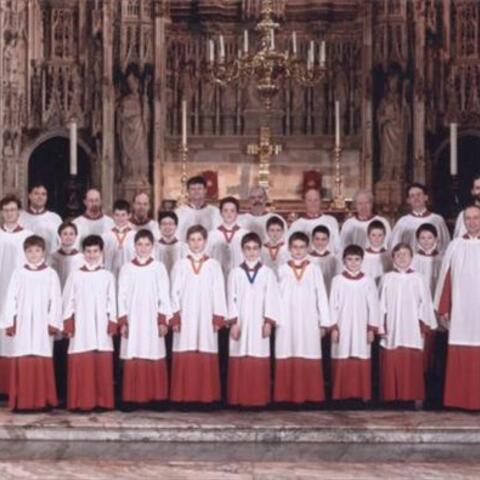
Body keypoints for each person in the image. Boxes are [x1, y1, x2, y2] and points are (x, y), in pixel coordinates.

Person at [1, 235, 62, 411]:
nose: (33, 254)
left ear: (43, 251)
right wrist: (10, 322)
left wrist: (53, 322)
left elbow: (56, 300)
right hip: (22, 323)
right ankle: (22, 401)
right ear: (25, 253)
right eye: (29, 251)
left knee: (41, 356)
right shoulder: (18, 273)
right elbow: (10, 299)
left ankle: (43, 401)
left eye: (37, 250)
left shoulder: (50, 274)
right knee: (23, 357)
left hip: (43, 324)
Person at [170, 225, 227, 403]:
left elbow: (219, 291)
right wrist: (175, 316)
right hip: (185, 317)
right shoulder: (180, 265)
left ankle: (207, 397)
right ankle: (183, 397)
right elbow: (174, 292)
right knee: (185, 349)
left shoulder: (213, 265)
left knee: (206, 348)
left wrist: (218, 317)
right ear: (187, 242)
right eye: (192, 240)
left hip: (206, 317)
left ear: (205, 241)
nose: (196, 244)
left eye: (199, 239)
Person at [274, 232, 332, 403]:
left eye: (301, 247)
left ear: (307, 248)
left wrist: (324, 322)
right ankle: (285, 395)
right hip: (286, 320)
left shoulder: (314, 269)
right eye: (295, 247)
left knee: (309, 351)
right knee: (287, 351)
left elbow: (321, 295)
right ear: (289, 248)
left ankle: (310, 395)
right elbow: (275, 296)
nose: (298, 251)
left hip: (309, 320)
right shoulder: (282, 269)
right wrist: (275, 319)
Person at [62, 235, 117, 411]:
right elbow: (67, 301)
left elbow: (112, 301)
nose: (92, 255)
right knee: (82, 360)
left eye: (95, 251)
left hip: (101, 326)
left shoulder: (107, 276)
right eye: (88, 251)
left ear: (101, 252)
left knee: (101, 362)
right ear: (83, 252)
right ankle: (80, 402)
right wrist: (68, 324)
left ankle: (103, 401)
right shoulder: (75, 275)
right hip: (82, 326)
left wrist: (112, 322)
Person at [118, 229, 172, 406]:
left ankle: (156, 398)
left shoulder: (159, 267)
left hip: (152, 318)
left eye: (147, 244)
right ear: (134, 246)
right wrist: (123, 321)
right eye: (140, 244)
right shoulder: (126, 268)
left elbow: (164, 294)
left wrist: (163, 320)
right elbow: (122, 296)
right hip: (133, 319)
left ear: (152, 246)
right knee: (133, 353)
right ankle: (131, 398)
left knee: (154, 352)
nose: (143, 248)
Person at [227, 232, 280, 407]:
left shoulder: (267, 273)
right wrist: (233, 322)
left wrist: (268, 321)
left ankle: (258, 399)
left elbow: (272, 298)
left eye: (255, 248)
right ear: (242, 250)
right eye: (248, 249)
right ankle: (238, 399)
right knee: (240, 354)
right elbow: (230, 298)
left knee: (259, 356)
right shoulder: (235, 272)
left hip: (259, 323)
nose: (251, 252)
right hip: (241, 323)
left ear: (260, 250)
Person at [435, 205, 480, 410]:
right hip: (461, 310)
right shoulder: (455, 246)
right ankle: (459, 400)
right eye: (468, 218)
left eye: (476, 218)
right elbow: (446, 279)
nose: (472, 222)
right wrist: (444, 307)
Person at [379, 243, 436, 403]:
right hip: (393, 326)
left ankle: (414, 396)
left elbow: (425, 303)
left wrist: (424, 325)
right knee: (392, 355)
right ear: (393, 258)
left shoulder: (419, 278)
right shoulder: (387, 278)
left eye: (405, 254)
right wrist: (381, 326)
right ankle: (391, 396)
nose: (402, 257)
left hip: (412, 328)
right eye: (398, 254)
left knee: (412, 361)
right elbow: (381, 304)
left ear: (411, 258)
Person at [330, 245, 381, 402]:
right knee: (342, 353)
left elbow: (374, 305)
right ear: (344, 260)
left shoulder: (368, 281)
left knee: (361, 354)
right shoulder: (337, 280)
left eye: (357, 259)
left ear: (362, 261)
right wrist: (333, 327)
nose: (353, 263)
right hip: (342, 325)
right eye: (349, 259)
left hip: (361, 326)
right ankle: (339, 393)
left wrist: (371, 328)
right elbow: (332, 305)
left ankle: (363, 393)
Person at [0, 195, 32, 395]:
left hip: (19, 295)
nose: (9, 213)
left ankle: (15, 387)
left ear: (19, 212)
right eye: (6, 210)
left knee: (16, 338)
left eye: (13, 210)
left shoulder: (27, 237)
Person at [390, 183, 450, 253]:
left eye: (419, 194)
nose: (416, 198)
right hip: (409, 262)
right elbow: (394, 246)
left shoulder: (437, 220)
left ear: (426, 197)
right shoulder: (403, 222)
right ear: (408, 200)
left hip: (433, 261)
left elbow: (445, 244)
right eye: (412, 196)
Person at [288, 188, 340, 253]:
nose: (313, 203)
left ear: (321, 201)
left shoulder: (331, 221)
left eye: (316, 200)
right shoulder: (296, 225)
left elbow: (338, 247)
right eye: (310, 200)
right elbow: (290, 248)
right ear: (305, 202)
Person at [207, 197, 248, 278]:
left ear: (237, 213)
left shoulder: (245, 234)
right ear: (221, 213)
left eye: (232, 211)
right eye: (225, 211)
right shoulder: (211, 235)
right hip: (217, 277)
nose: (229, 214)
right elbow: (207, 258)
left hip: (240, 277)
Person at [19, 183, 62, 256]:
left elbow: (61, 243)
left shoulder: (55, 218)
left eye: (43, 194)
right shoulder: (20, 217)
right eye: (36, 193)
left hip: (49, 262)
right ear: (29, 196)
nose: (40, 197)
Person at [175, 176, 222, 242]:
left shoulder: (215, 212)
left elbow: (218, 235)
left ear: (205, 190)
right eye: (193, 189)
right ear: (188, 191)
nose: (196, 191)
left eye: (199, 188)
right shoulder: (179, 213)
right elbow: (177, 236)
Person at [101, 200, 136, 280]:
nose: (120, 218)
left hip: (130, 275)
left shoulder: (135, 236)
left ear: (129, 215)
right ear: (112, 215)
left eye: (123, 215)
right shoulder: (105, 236)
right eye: (117, 215)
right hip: (110, 274)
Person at [307, 225, 342, 296]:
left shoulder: (334, 259)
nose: (320, 242)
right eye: (317, 239)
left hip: (329, 291)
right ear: (312, 240)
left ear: (328, 240)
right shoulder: (307, 259)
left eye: (323, 239)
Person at [49, 222, 84, 289]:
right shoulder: (53, 257)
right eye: (65, 234)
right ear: (59, 236)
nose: (68, 237)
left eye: (71, 234)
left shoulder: (81, 258)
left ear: (76, 236)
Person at [412, 223, 442, 295]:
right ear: (417, 239)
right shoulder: (413, 259)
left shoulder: (441, 259)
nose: (426, 241)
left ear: (436, 239)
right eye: (422, 238)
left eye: (430, 238)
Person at [155, 211, 187, 275]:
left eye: (170, 224)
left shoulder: (184, 247)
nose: (167, 227)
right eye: (164, 224)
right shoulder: (153, 247)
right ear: (159, 226)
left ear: (176, 226)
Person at [362, 220, 392, 285]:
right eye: (373, 235)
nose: (376, 238)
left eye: (380, 235)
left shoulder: (389, 256)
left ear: (384, 236)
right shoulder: (363, 255)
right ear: (368, 236)